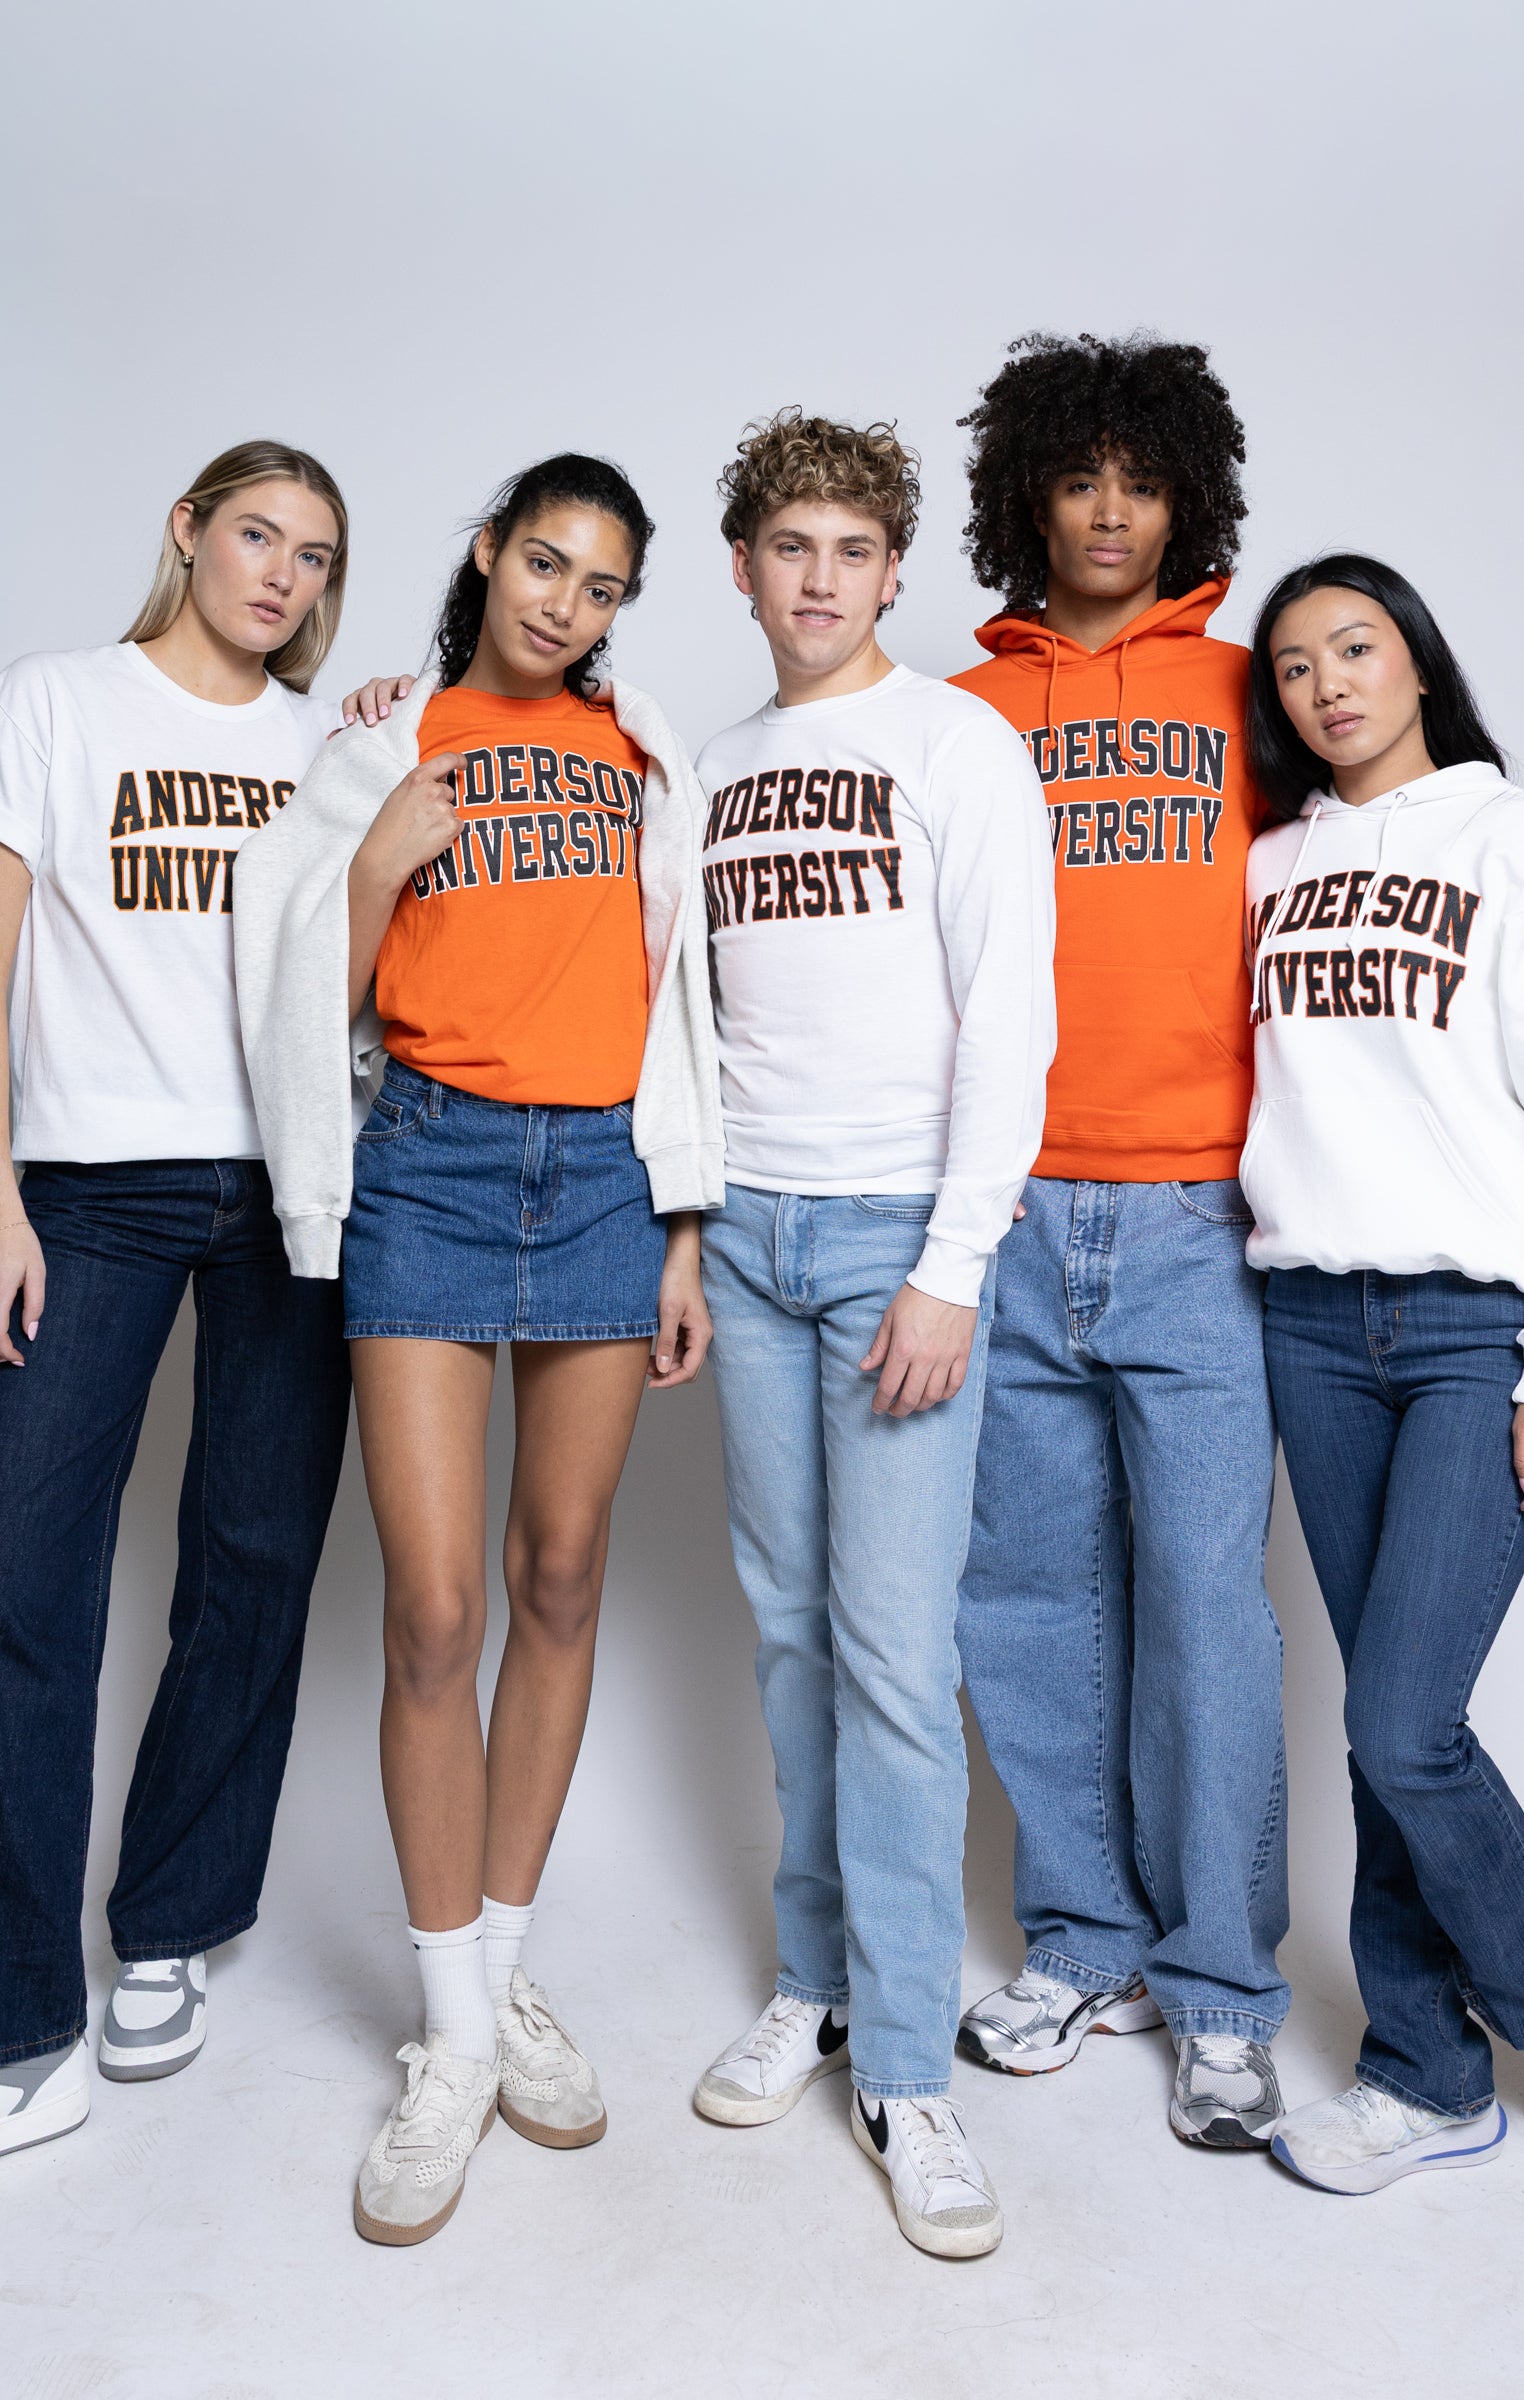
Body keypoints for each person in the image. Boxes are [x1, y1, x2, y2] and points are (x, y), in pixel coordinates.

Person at [234, 452, 723, 2248]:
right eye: (544, 566)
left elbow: (689, 994)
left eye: (601, 586)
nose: (566, 606)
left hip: (603, 1171)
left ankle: (504, 1969)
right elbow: (302, 976)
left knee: (564, 1576)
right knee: (434, 1607)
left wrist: (683, 1221)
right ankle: (448, 2038)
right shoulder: (383, 740)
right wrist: (378, 856)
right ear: (487, 556)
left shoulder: (647, 747)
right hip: (426, 1169)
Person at [690, 410, 1055, 2259]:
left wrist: (953, 1266)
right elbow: (686, 1023)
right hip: (745, 1238)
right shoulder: (713, 766)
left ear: (895, 568)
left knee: (899, 1659)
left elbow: (1012, 1019)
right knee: (785, 1628)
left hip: (895, 1245)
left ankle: (908, 2065)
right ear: (741, 569)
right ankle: (815, 1979)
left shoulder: (955, 742)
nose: (818, 578)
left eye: (851, 548)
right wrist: (689, 1233)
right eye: (787, 547)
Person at [950, 334, 1290, 2147]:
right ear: (1029, 497)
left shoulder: (1255, 690)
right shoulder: (957, 712)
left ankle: (1227, 1986)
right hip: (1000, 1212)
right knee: (1027, 1599)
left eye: (1137, 479)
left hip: (1204, 1217)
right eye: (1075, 478)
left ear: (1185, 497)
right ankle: (1083, 1936)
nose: (1105, 510)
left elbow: (1410, 838)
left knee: (1210, 1614)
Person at [0, 441, 355, 2159]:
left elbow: (362, 977)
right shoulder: (57, 705)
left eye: (312, 552)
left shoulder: (322, 746)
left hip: (287, 1187)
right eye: (254, 535)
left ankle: (169, 1927)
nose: (279, 574)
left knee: (256, 1560)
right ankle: (18, 2006)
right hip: (84, 1190)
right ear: (186, 534)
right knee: (25, 1578)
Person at [1243, 553, 1524, 2193]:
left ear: (1419, 662)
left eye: (1358, 647)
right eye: (1298, 663)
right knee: (1391, 1727)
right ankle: (1426, 2072)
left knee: (1399, 1720)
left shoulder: (1517, 841)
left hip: (1476, 1332)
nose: (1328, 683)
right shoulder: (1266, 864)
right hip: (1310, 1326)